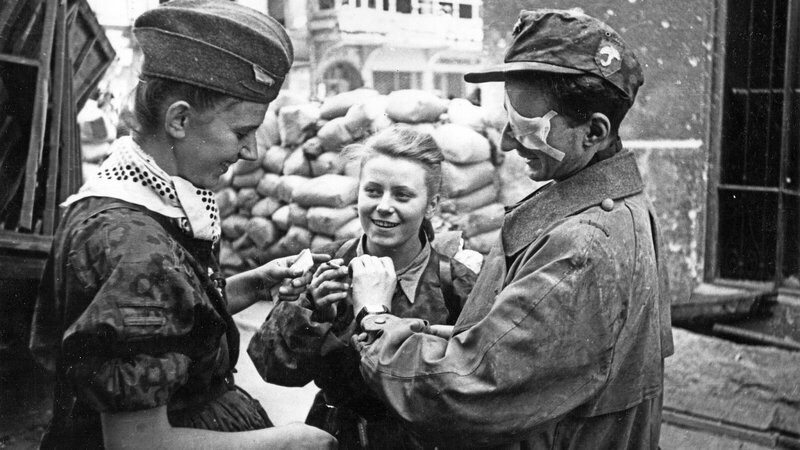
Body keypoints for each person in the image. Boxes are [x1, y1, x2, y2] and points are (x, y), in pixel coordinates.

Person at [348, 9, 674, 449]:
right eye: (506, 119)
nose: (505, 141)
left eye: (526, 127)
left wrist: (373, 320)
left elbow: (466, 389)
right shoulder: (621, 208)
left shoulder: (580, 249)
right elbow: (505, 346)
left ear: (593, 132)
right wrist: (418, 331)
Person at [28, 1, 336, 448]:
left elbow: (166, 319)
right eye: (240, 132)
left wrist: (253, 284)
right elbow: (137, 442)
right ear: (179, 119)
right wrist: (287, 441)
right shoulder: (135, 247)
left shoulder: (122, 198)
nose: (250, 152)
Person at [247, 126, 478, 449]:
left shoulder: (456, 284)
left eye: (402, 195)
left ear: (431, 205)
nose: (384, 206)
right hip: (335, 437)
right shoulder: (328, 267)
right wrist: (312, 312)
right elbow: (271, 368)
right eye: (372, 191)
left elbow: (471, 392)